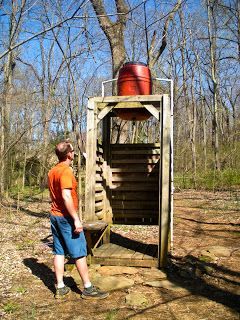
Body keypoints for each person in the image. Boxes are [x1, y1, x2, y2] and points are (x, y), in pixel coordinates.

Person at [48, 140, 109, 300]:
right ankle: (88, 288)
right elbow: (66, 196)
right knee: (79, 252)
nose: (74, 152)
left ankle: (60, 287)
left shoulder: (52, 171)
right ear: (68, 154)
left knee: (59, 251)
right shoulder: (66, 171)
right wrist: (76, 219)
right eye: (73, 150)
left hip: (54, 216)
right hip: (66, 218)